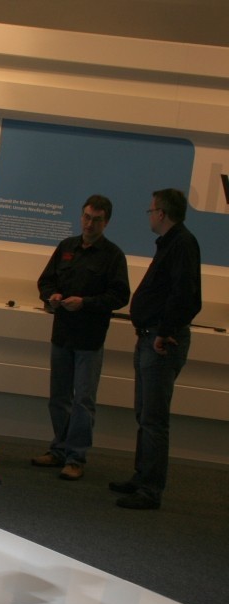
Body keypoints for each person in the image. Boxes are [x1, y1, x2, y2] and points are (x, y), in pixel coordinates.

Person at [110, 188, 202, 510]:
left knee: (154, 419)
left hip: (161, 342)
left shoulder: (182, 243)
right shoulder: (171, 243)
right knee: (145, 414)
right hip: (150, 338)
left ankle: (150, 489)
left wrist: (165, 331)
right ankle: (142, 477)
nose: (149, 215)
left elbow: (186, 294)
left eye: (151, 211)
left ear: (162, 213)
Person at [32, 195, 129, 480]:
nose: (89, 224)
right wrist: (51, 296)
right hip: (62, 335)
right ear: (81, 216)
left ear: (106, 222)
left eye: (96, 220)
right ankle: (59, 449)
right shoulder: (66, 247)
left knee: (83, 401)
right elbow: (45, 281)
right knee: (58, 398)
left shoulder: (113, 255)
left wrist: (85, 303)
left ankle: (76, 458)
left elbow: (120, 296)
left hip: (90, 339)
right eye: (86, 217)